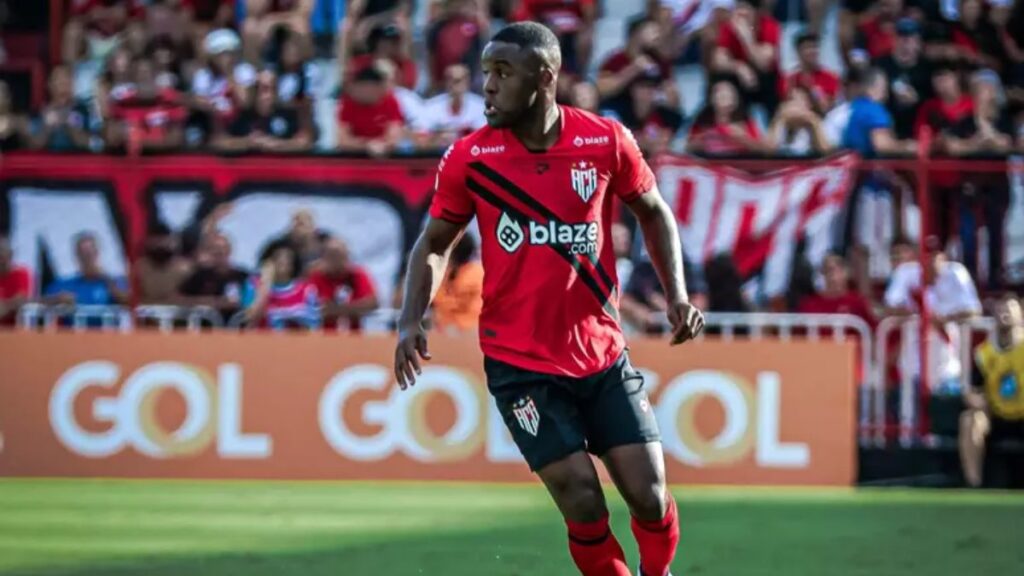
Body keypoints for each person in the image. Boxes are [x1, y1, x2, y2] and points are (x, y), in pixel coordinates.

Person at [395, 23, 703, 576]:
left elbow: (653, 211)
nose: (488, 86)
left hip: (602, 356)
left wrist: (675, 294)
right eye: (486, 72)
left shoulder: (605, 140)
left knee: (650, 495)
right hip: (520, 365)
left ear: (544, 78)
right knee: (583, 501)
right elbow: (434, 243)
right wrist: (410, 319)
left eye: (502, 73)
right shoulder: (471, 158)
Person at [884, 238, 982, 400]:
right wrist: (919, 314)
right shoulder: (906, 272)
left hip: (947, 366)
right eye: (927, 255)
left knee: (944, 416)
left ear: (943, 257)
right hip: (913, 367)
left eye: (935, 255)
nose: (930, 261)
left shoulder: (956, 273)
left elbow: (974, 310)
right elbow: (889, 307)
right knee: (910, 417)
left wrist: (944, 319)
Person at [960, 295, 1024, 488]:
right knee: (970, 421)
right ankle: (974, 485)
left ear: (1020, 314)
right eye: (1000, 309)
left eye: (1010, 309)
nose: (1005, 314)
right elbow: (971, 391)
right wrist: (975, 400)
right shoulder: (984, 353)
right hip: (996, 415)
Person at [596, 17, 677, 120]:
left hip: (651, 114)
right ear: (636, 34)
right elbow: (602, 89)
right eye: (651, 31)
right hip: (619, 110)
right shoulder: (615, 60)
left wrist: (654, 95)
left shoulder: (660, 60)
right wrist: (633, 69)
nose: (657, 35)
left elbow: (674, 99)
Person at [213, 70, 314, 152]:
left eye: (273, 89)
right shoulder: (243, 115)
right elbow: (221, 142)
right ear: (256, 91)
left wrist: (278, 145)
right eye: (264, 89)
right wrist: (248, 142)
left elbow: (305, 142)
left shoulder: (287, 114)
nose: (269, 95)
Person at [874, 18, 933, 140]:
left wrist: (917, 99)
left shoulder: (927, 69)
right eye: (902, 38)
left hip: (918, 129)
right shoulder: (880, 65)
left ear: (918, 43)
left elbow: (933, 103)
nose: (906, 43)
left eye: (911, 39)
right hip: (885, 128)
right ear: (894, 40)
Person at [841, 67, 916, 157]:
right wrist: (908, 146)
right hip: (869, 166)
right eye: (884, 87)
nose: (886, 93)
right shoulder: (874, 110)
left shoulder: (855, 106)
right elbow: (882, 145)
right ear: (871, 87)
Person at [308, 237, 379, 331]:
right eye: (332, 256)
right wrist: (354, 308)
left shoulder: (357, 274)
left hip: (355, 336)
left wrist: (335, 309)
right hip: (323, 335)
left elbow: (373, 303)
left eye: (340, 256)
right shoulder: (316, 276)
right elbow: (310, 307)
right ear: (323, 258)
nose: (337, 261)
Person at [686, 76, 768, 156]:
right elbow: (688, 148)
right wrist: (700, 142)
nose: (726, 99)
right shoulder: (703, 122)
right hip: (712, 165)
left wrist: (743, 139)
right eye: (722, 96)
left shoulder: (746, 122)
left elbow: (763, 150)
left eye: (730, 96)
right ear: (711, 99)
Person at [336, 65, 405, 156]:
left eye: (370, 89)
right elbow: (343, 140)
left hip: (385, 156)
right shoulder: (347, 103)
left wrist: (381, 145)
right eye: (363, 88)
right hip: (354, 155)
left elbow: (394, 138)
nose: (366, 92)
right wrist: (367, 145)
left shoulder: (391, 102)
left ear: (380, 88)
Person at [45, 233, 129, 307]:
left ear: (97, 253)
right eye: (82, 255)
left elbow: (129, 302)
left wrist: (107, 280)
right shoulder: (65, 284)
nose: (87, 260)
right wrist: (56, 300)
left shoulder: (115, 282)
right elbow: (38, 302)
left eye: (89, 254)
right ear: (76, 257)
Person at [178, 232, 249, 318]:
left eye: (223, 249)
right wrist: (214, 302)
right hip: (205, 327)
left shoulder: (243, 276)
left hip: (237, 327)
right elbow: (179, 299)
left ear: (229, 250)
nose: (219, 252)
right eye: (215, 249)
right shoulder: (200, 276)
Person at [416, 63, 486, 149]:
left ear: (467, 82)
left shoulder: (481, 107)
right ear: (445, 82)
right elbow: (420, 138)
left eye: (459, 80)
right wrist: (436, 138)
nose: (455, 85)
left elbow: (487, 139)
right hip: (438, 156)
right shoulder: (431, 106)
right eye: (451, 80)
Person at [29, 65, 93, 152]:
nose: (63, 84)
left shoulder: (84, 110)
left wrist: (71, 127)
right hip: (47, 163)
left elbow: (91, 144)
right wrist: (47, 128)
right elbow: (33, 145)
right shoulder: (39, 111)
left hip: (77, 162)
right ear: (49, 84)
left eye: (67, 79)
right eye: (58, 80)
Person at [347, 23, 418, 91]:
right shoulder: (361, 62)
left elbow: (408, 90)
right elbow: (349, 85)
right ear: (377, 42)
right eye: (386, 40)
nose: (391, 44)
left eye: (395, 40)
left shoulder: (404, 64)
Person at [134, 222, 192, 304]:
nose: (160, 245)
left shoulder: (185, 269)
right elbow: (127, 298)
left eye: (164, 242)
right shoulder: (138, 269)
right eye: (156, 242)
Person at [767, 84, 832, 156]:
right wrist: (780, 120)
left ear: (809, 105)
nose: (792, 105)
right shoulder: (780, 121)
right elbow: (768, 150)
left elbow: (825, 151)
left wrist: (813, 123)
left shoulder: (817, 122)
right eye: (790, 100)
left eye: (798, 100)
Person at [783, 31, 840, 112]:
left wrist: (811, 90)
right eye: (807, 47)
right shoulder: (790, 79)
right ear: (798, 52)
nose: (812, 51)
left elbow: (826, 108)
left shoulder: (830, 77)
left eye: (814, 47)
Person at [0, 237, 31, 326]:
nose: (1, 261)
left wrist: (6, 306)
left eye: (3, 257)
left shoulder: (21, 273)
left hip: (13, 328)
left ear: (11, 256)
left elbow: (20, 300)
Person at [0, 80, 29, 151]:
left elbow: (32, 146)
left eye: (4, 93)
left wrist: (22, 131)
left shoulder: (20, 120)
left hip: (18, 160)